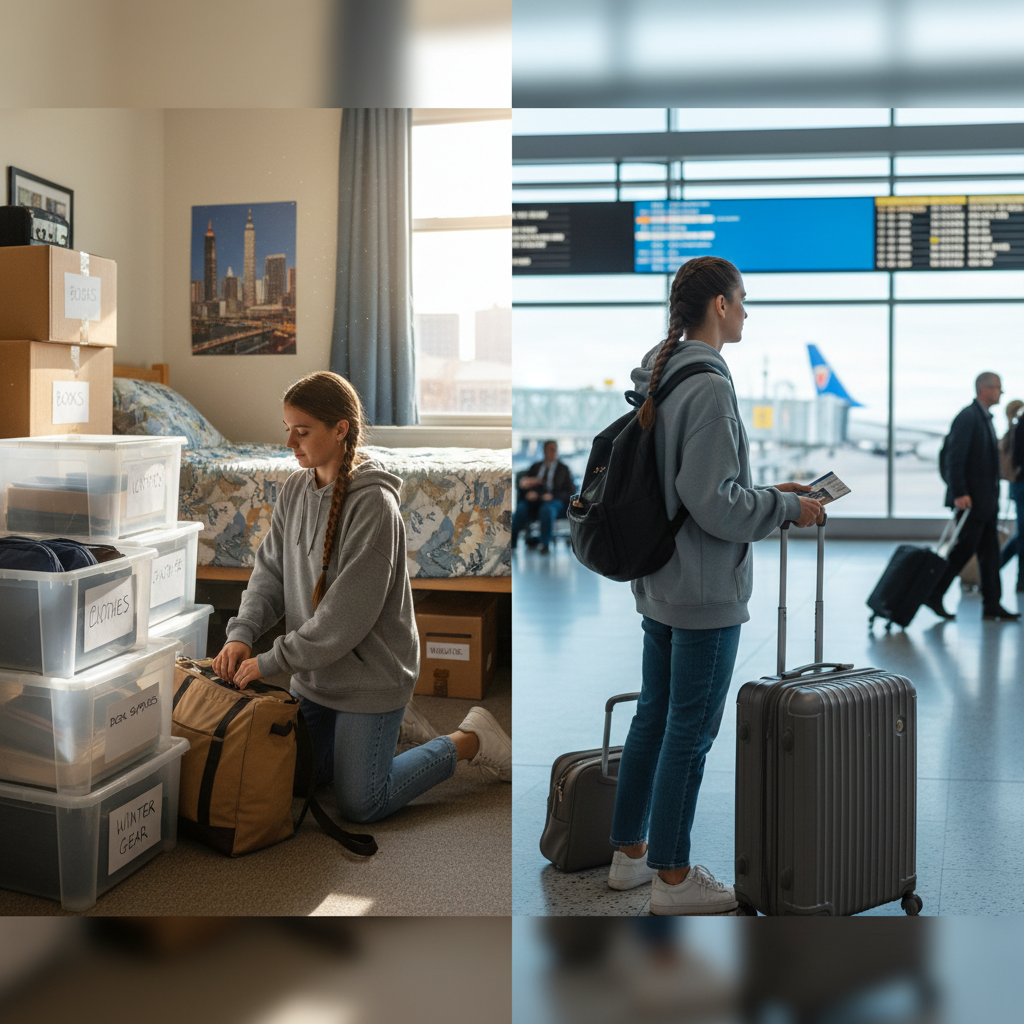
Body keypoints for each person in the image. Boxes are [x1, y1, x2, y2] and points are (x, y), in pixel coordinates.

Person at [605, 256, 824, 916]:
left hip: (661, 579)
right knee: (690, 733)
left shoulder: (663, 376)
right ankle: (673, 881)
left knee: (653, 715)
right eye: (743, 299)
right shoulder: (711, 386)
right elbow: (713, 503)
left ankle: (630, 856)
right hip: (703, 591)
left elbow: (692, 485)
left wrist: (766, 491)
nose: (748, 311)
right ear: (720, 307)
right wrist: (787, 508)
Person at [211, 371, 511, 827]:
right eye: (287, 428)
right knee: (292, 780)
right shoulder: (295, 488)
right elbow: (269, 571)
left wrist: (271, 662)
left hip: (371, 675)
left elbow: (342, 619)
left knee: (360, 803)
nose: (291, 441)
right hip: (316, 675)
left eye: (303, 430)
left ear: (340, 429)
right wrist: (241, 634)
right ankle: (391, 731)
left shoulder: (374, 506)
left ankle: (470, 738)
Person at [925, 372, 1020, 622]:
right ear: (985, 389)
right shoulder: (968, 417)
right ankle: (934, 592)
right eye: (998, 388)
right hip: (972, 502)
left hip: (985, 503)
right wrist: (959, 493)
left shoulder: (984, 418)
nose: (1001, 392)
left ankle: (992, 604)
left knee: (990, 557)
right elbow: (954, 458)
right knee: (963, 551)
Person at [511, 439, 575, 554]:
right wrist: (527, 492)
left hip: (554, 501)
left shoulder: (563, 469)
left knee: (547, 509)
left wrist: (552, 496)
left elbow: (570, 492)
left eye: (554, 450)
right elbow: (523, 485)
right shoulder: (535, 467)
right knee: (521, 508)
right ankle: (512, 543)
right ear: (544, 451)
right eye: (549, 450)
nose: (552, 452)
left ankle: (545, 543)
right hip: (535, 501)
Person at [998, 398, 1024, 593]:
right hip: (1022, 486)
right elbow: (1018, 458)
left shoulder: (1018, 424)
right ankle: (1020, 579)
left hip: (1018, 486)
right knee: (1022, 535)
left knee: (1022, 534)